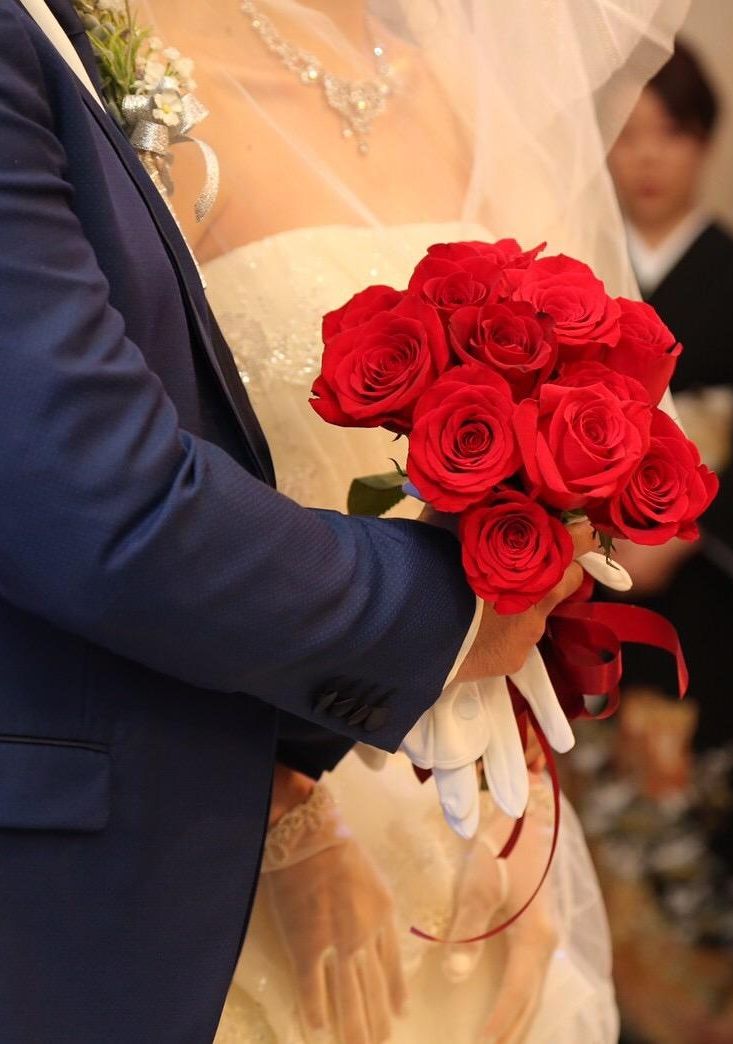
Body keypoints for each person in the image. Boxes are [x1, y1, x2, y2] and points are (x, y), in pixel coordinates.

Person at [0, 0, 624, 1041]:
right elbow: (94, 490)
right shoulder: (125, 51)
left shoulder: (462, 84)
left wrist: (510, 802)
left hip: (435, 761)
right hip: (214, 790)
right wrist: (292, 811)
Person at [574, 39, 733, 1043]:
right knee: (589, 822)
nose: (645, 158)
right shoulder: (582, 274)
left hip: (702, 601)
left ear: (704, 144)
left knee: (698, 820)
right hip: (588, 591)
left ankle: (704, 1020)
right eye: (627, 135)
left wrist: (686, 529)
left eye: (669, 135)